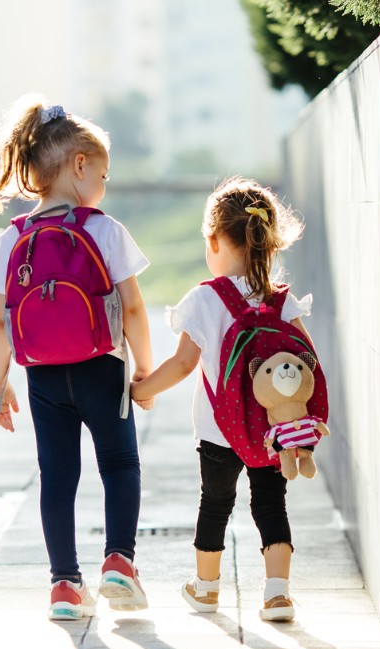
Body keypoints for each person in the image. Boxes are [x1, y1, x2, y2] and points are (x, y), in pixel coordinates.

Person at [0, 94, 153, 621]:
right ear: (79, 166)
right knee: (119, 464)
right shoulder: (103, 229)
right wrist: (143, 368)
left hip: (44, 379)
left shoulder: (12, 239)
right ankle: (119, 561)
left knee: (57, 477)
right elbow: (136, 307)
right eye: (102, 172)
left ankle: (64, 585)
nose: (103, 185)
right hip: (102, 367)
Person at [131, 177, 310, 622]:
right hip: (272, 431)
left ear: (213, 240)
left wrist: (141, 391)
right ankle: (277, 594)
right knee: (271, 504)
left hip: (218, 430)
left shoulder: (205, 300)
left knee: (215, 503)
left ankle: (206, 588)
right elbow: (306, 359)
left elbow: (182, 364)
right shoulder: (279, 300)